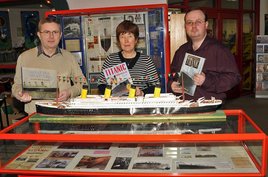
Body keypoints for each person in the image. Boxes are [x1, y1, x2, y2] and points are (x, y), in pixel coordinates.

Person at [12, 17, 86, 114]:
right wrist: (20, 94)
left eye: (55, 32)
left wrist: (69, 92)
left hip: (64, 114)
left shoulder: (69, 57)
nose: (51, 36)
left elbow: (82, 82)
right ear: (39, 35)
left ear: (60, 35)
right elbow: (16, 85)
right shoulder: (24, 57)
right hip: (36, 116)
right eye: (46, 32)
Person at [167, 8, 241, 101]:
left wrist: (206, 81)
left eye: (198, 22)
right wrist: (171, 85)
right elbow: (173, 74)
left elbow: (234, 78)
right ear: (185, 26)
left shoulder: (219, 50)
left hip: (209, 107)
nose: (193, 26)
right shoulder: (181, 51)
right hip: (184, 105)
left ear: (206, 25)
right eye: (189, 22)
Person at [98, 20, 160, 96]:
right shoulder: (110, 59)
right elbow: (101, 84)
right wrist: (111, 93)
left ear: (136, 39)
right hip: (116, 105)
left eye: (130, 36)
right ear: (118, 40)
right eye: (122, 37)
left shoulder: (146, 60)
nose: (126, 41)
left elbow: (156, 85)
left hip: (138, 104)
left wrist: (142, 92)